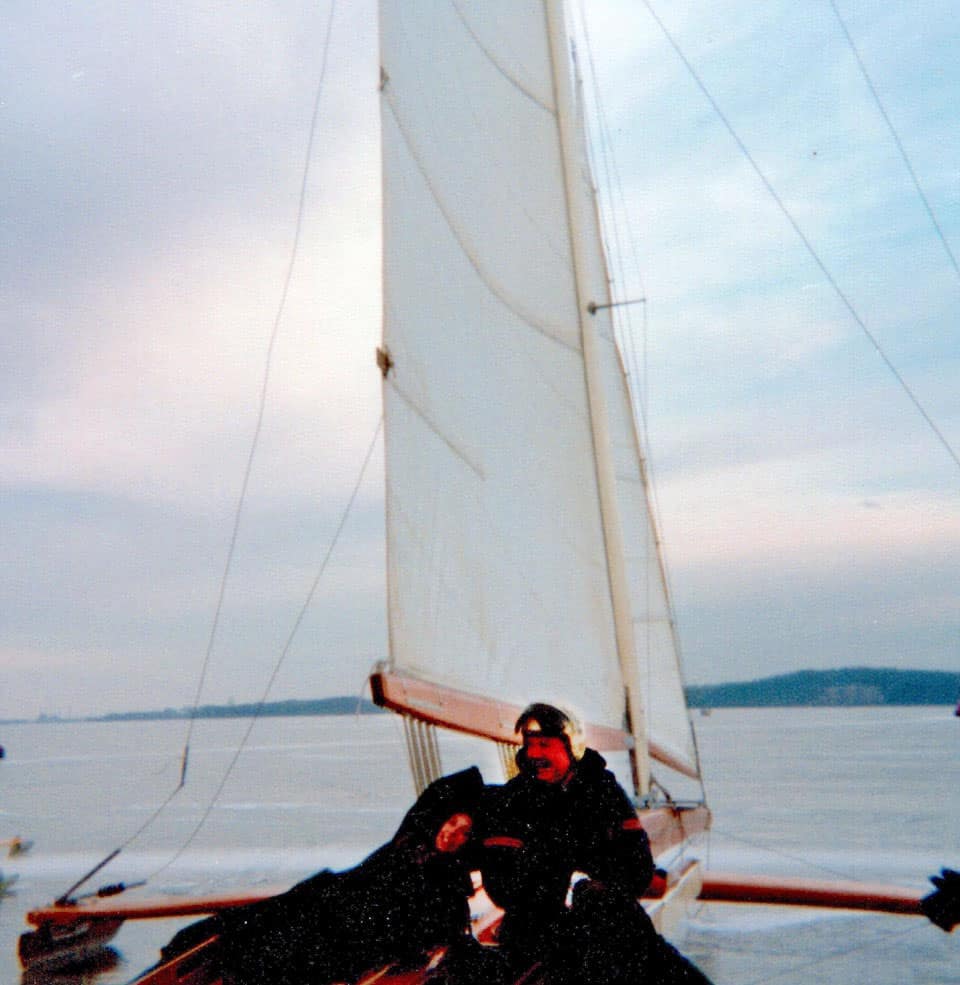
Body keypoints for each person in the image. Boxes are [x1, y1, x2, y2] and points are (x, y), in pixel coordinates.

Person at [161, 766, 484, 985]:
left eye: (464, 831)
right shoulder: (406, 850)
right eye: (450, 823)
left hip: (360, 927)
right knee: (286, 914)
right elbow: (367, 879)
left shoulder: (446, 881)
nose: (452, 834)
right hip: (346, 900)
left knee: (300, 941)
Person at [473, 702, 712, 984]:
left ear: (571, 746)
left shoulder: (604, 793)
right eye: (530, 744)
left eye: (545, 745)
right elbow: (502, 886)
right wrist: (559, 880)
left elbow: (638, 869)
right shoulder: (511, 801)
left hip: (608, 921)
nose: (535, 754)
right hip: (538, 934)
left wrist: (595, 889)